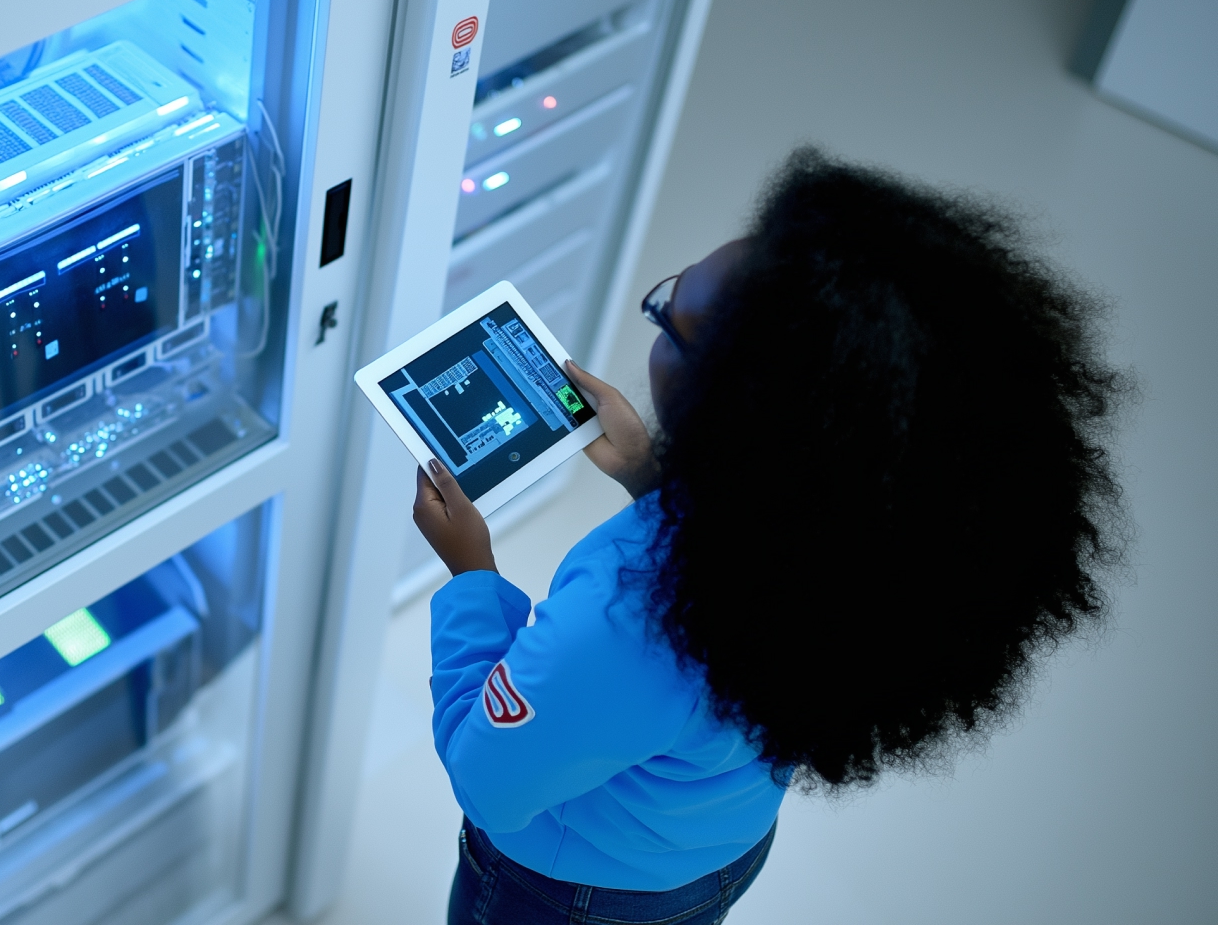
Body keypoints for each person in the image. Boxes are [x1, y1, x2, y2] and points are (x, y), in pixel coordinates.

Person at [413, 149, 1129, 925]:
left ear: (729, 402)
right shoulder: (869, 549)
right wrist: (652, 476)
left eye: (668, 318)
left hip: (568, 894)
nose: (663, 303)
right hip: (713, 855)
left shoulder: (626, 613)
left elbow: (488, 781)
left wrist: (471, 577)